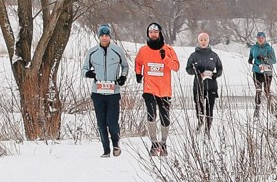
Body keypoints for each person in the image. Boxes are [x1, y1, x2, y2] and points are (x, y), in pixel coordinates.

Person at [83, 23, 131, 156]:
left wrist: (123, 77)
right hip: (97, 92)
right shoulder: (92, 52)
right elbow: (84, 69)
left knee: (112, 122)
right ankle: (106, 150)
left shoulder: (117, 51)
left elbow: (125, 66)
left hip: (113, 92)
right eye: (102, 35)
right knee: (101, 123)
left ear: (110, 37)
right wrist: (89, 73)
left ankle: (115, 144)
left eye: (107, 35)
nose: (104, 38)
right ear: (99, 37)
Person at [134, 24, 179, 154]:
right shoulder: (143, 50)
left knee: (165, 116)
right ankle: (154, 143)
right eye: (151, 32)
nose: (153, 34)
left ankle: (163, 143)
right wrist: (138, 73)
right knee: (151, 114)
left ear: (160, 33)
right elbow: (138, 62)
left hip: (164, 90)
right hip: (149, 88)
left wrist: (165, 58)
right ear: (148, 34)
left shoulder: (168, 49)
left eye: (155, 32)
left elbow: (176, 67)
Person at [185, 31, 224, 131]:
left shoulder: (214, 55)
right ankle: (200, 121)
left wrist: (216, 74)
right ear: (198, 41)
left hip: (211, 86)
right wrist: (197, 72)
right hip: (198, 85)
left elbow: (220, 68)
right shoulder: (194, 55)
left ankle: (208, 129)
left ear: (208, 41)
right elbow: (188, 69)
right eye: (201, 40)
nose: (203, 42)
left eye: (205, 40)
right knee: (199, 106)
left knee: (209, 108)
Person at [247, 29, 277, 111]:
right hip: (257, 71)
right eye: (259, 38)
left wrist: (265, 59)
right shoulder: (253, 48)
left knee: (267, 90)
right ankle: (257, 109)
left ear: (265, 38)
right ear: (257, 39)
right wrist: (250, 59)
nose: (260, 39)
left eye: (262, 38)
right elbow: (251, 56)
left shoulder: (269, 48)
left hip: (267, 72)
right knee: (258, 90)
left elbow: (274, 61)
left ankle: (271, 107)